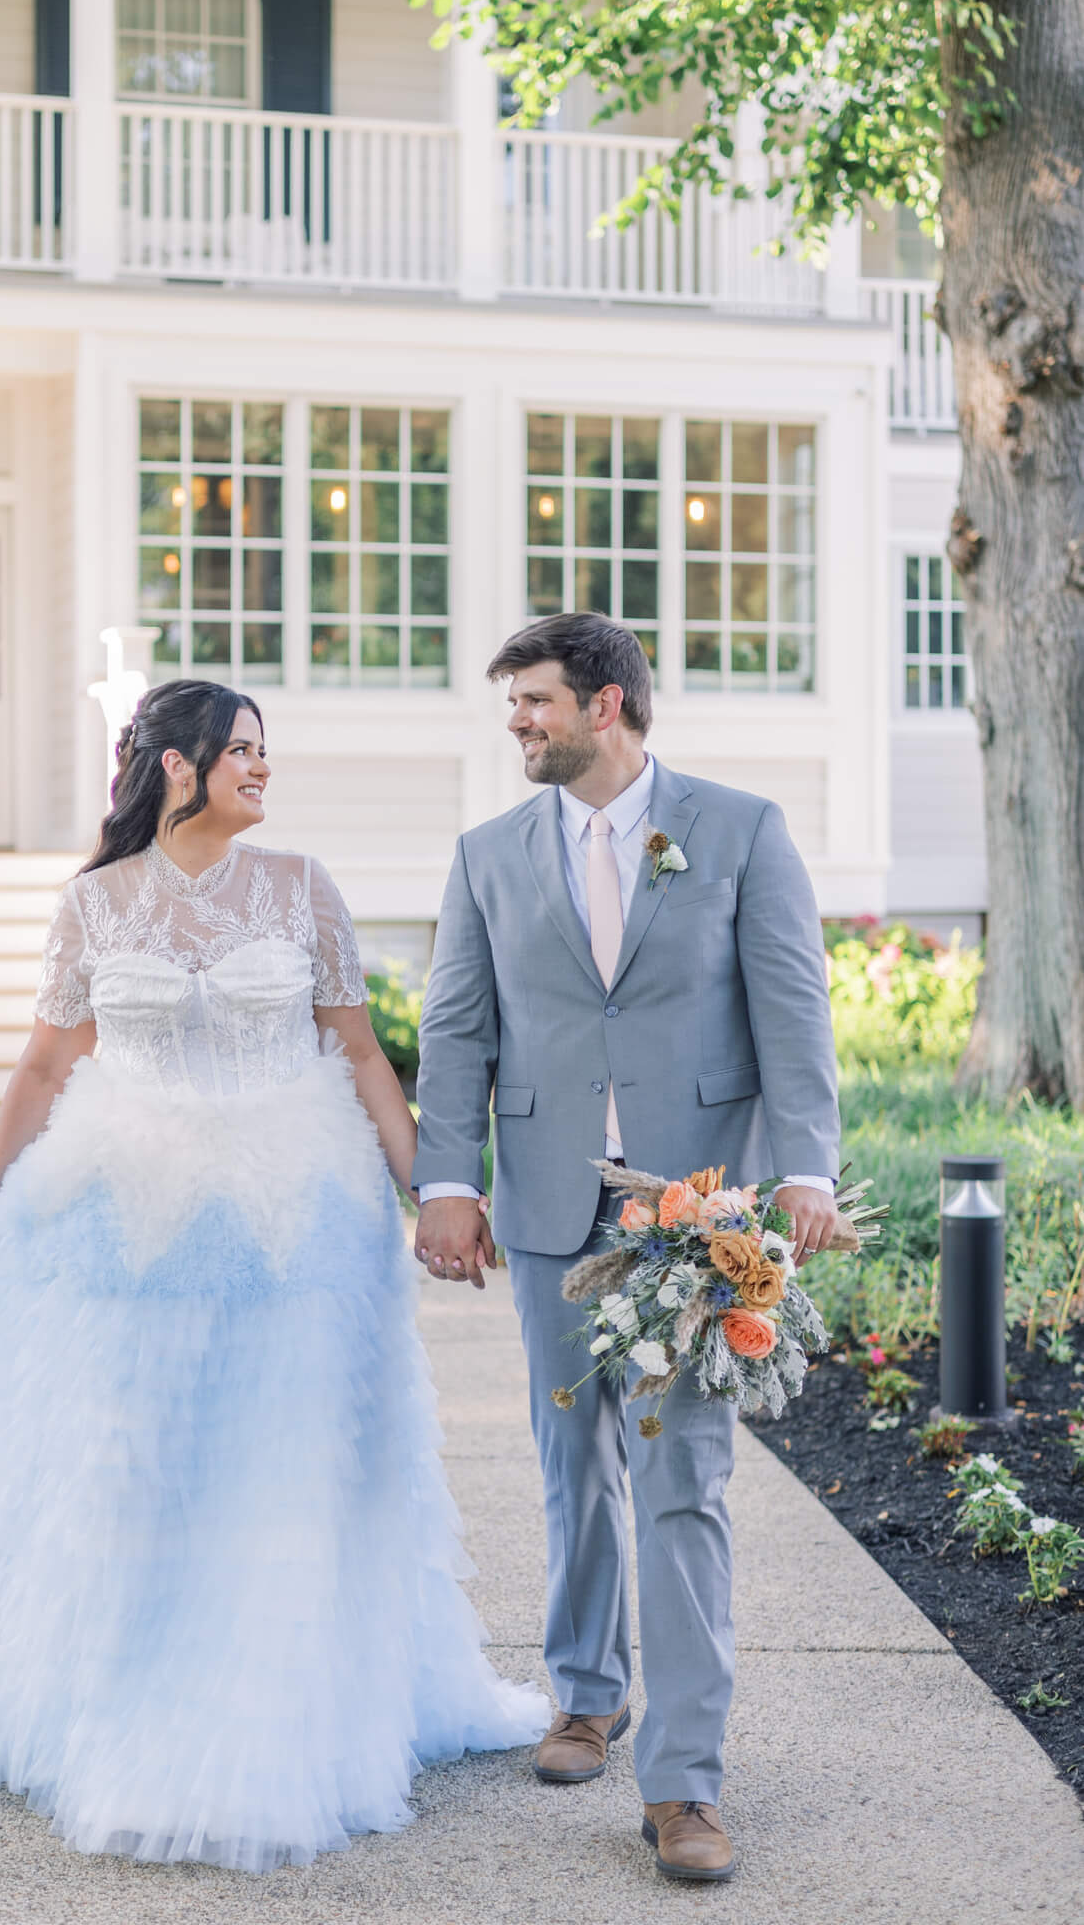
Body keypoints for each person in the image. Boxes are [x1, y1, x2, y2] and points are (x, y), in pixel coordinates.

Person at [0, 678, 548, 1872]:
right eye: (243, 749)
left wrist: (436, 1191)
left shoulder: (302, 886)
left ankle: (277, 1714)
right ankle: (124, 1706)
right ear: (177, 762)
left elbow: (361, 1053)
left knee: (283, 1474)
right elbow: (45, 1066)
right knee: (134, 1473)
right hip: (126, 1223)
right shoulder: (95, 903)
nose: (263, 767)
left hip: (296, 1223)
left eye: (266, 750)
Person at [412, 612, 840, 1883]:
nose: (517, 721)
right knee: (570, 1461)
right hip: (548, 1204)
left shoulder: (740, 829)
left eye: (535, 700)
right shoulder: (488, 853)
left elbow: (792, 1004)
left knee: (681, 1476)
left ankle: (685, 1780)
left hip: (693, 1211)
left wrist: (806, 1164)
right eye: (513, 702)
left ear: (607, 705)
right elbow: (457, 1027)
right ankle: (586, 1694)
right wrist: (450, 1180)